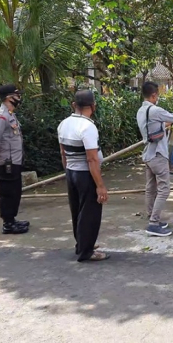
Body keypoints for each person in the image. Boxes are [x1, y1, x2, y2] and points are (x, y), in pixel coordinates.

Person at [58, 89, 109, 262]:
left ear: (74, 105)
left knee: (77, 210)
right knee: (90, 213)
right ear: (93, 106)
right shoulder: (88, 127)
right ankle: (86, 251)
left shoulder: (64, 124)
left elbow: (63, 154)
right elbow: (92, 159)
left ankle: (81, 244)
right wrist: (100, 186)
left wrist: (68, 172)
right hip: (85, 175)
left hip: (71, 173)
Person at [136, 82, 173, 237]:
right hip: (158, 155)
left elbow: (157, 125)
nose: (158, 97)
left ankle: (153, 217)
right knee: (164, 189)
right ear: (153, 95)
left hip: (148, 154)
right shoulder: (155, 110)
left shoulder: (141, 111)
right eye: (157, 94)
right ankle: (153, 224)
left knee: (151, 188)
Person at [0, 84, 30, 234]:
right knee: (8, 193)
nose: (19, 98)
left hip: (14, 161)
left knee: (15, 191)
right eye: (17, 96)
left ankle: (12, 220)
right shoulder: (0, 117)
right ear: (8, 98)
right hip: (6, 163)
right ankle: (8, 224)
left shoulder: (10, 114)